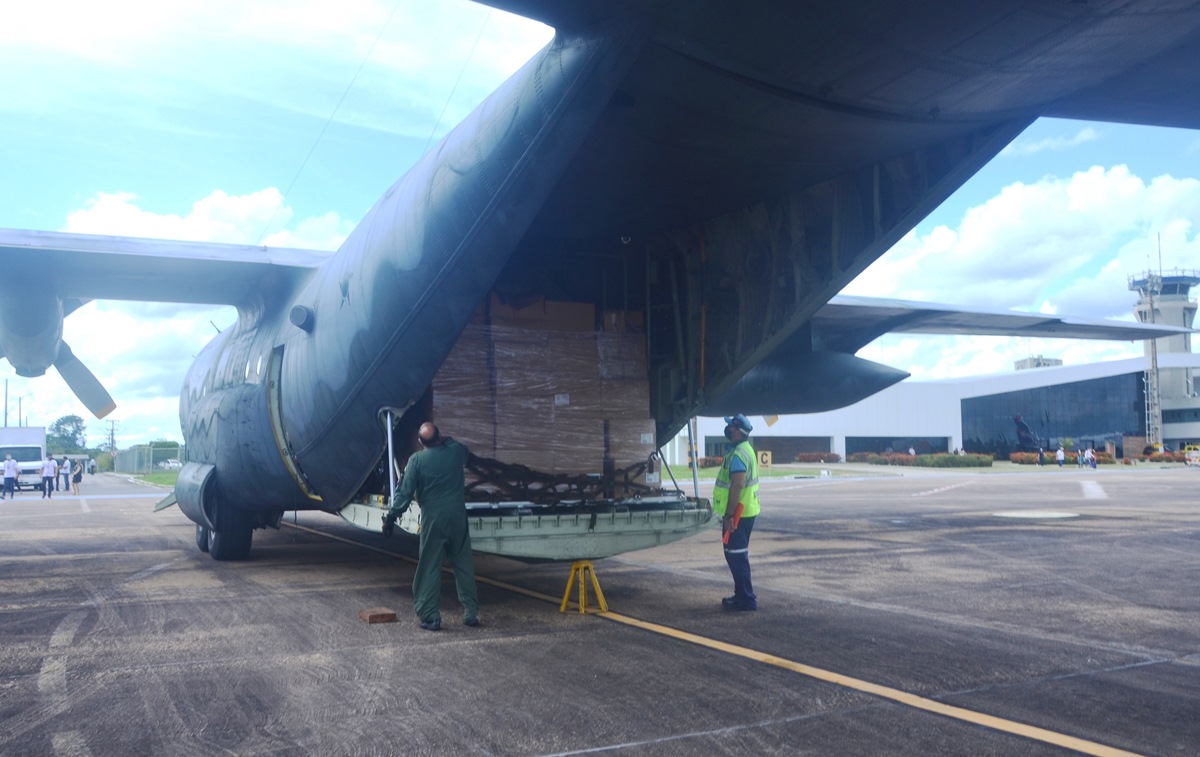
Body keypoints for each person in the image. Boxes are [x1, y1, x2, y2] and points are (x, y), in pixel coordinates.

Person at [382, 422, 479, 631]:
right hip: (457, 517)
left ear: (420, 442)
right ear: (440, 437)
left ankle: (430, 616)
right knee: (463, 565)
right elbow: (464, 451)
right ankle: (471, 612)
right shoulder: (454, 452)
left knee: (429, 566)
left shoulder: (417, 461)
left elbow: (404, 493)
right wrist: (447, 440)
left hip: (434, 519)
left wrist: (391, 518)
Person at [715, 414, 760, 612]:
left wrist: (729, 516)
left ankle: (747, 599)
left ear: (737, 431)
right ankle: (741, 595)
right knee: (733, 555)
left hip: (739, 514)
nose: (728, 430)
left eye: (730, 427)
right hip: (745, 511)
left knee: (736, 556)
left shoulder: (739, 455)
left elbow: (737, 485)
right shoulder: (743, 450)